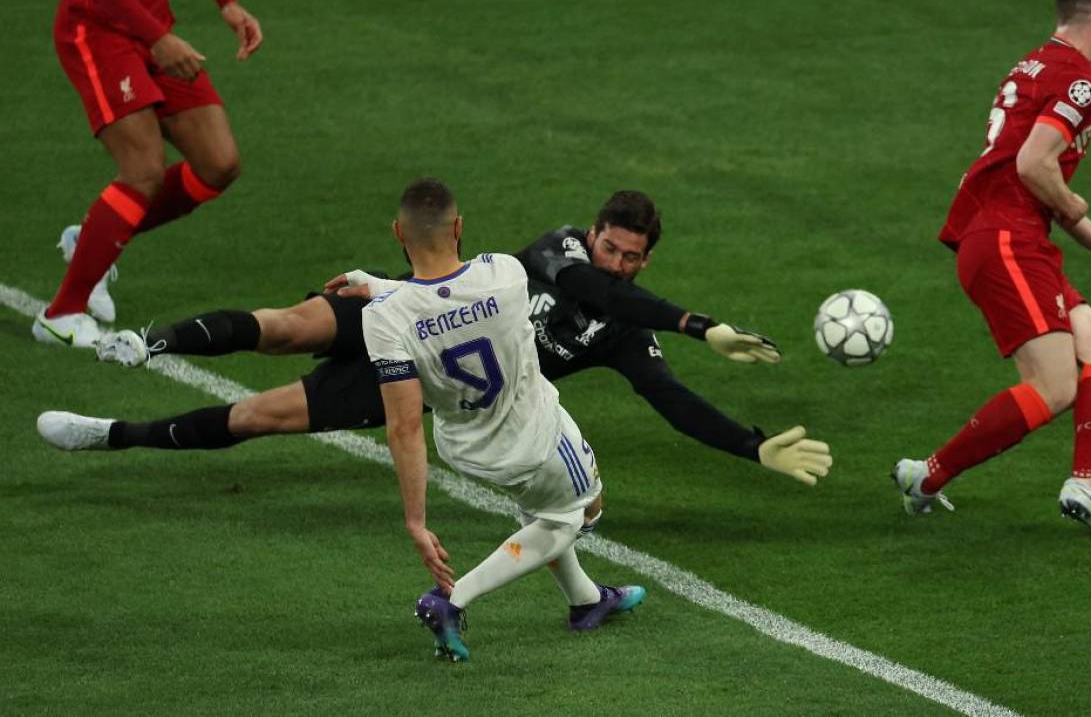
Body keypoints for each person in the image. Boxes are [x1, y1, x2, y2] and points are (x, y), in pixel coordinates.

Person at [39, 192, 832, 486]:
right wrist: (699, 323)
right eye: (609, 245)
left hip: (416, 378)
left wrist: (752, 445)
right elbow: (584, 285)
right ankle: (153, 342)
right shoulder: (560, 252)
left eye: (631, 256)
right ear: (590, 233)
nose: (614, 262)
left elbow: (671, 398)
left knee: (258, 417)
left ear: (647, 259)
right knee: (283, 326)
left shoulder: (623, 330)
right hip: (400, 304)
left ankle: (109, 435)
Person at [892, 0, 1091, 536]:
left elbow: (1030, 172)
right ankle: (928, 476)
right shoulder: (1081, 79)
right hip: (1007, 240)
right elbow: (1034, 165)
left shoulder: (1035, 63)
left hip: (1010, 235)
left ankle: (1086, 484)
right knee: (1055, 385)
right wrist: (1078, 211)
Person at [381, 178, 646, 659]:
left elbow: (402, 425)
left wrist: (416, 521)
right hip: (537, 437)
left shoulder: (381, 316)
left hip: (466, 449)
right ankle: (452, 599)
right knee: (576, 514)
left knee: (542, 505)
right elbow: (458, 297)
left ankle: (586, 601)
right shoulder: (504, 273)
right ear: (458, 227)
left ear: (399, 233)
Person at [34, 0, 262, 348]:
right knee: (143, 169)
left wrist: (226, 1)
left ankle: (92, 242)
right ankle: (60, 314)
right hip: (97, 31)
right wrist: (157, 38)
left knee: (218, 163)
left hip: (150, 29)